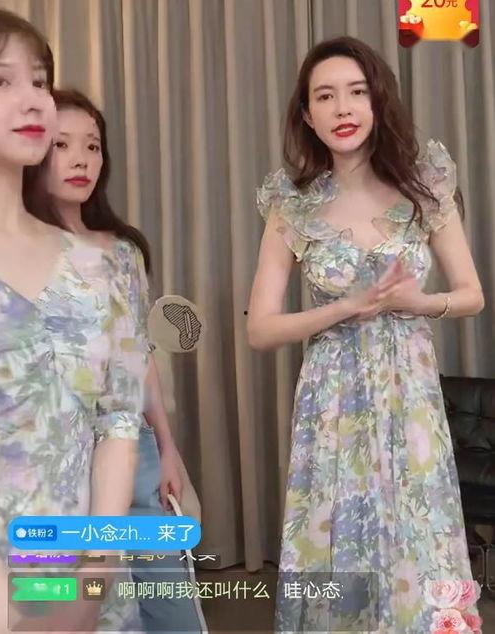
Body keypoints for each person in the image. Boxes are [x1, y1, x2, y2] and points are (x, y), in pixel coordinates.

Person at [247, 36, 484, 633]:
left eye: (356, 92)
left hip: (411, 390)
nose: (343, 108)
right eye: (325, 96)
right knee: (338, 531)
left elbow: (472, 295)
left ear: (377, 101)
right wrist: (346, 307)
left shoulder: (424, 186)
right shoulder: (292, 205)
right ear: (308, 115)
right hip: (333, 397)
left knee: (417, 527)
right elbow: (261, 329)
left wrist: (419, 303)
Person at [0, 9, 147, 633]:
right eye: (1, 81)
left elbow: (119, 418)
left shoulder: (100, 265)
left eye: (40, 80)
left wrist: (94, 573)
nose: (35, 98)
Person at [33, 87, 202, 633]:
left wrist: (168, 449)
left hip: (134, 445)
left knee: (170, 605)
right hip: (58, 456)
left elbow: (139, 356)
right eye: (62, 145)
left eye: (93, 146)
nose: (81, 159)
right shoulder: (15, 252)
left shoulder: (124, 251)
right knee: (90, 606)